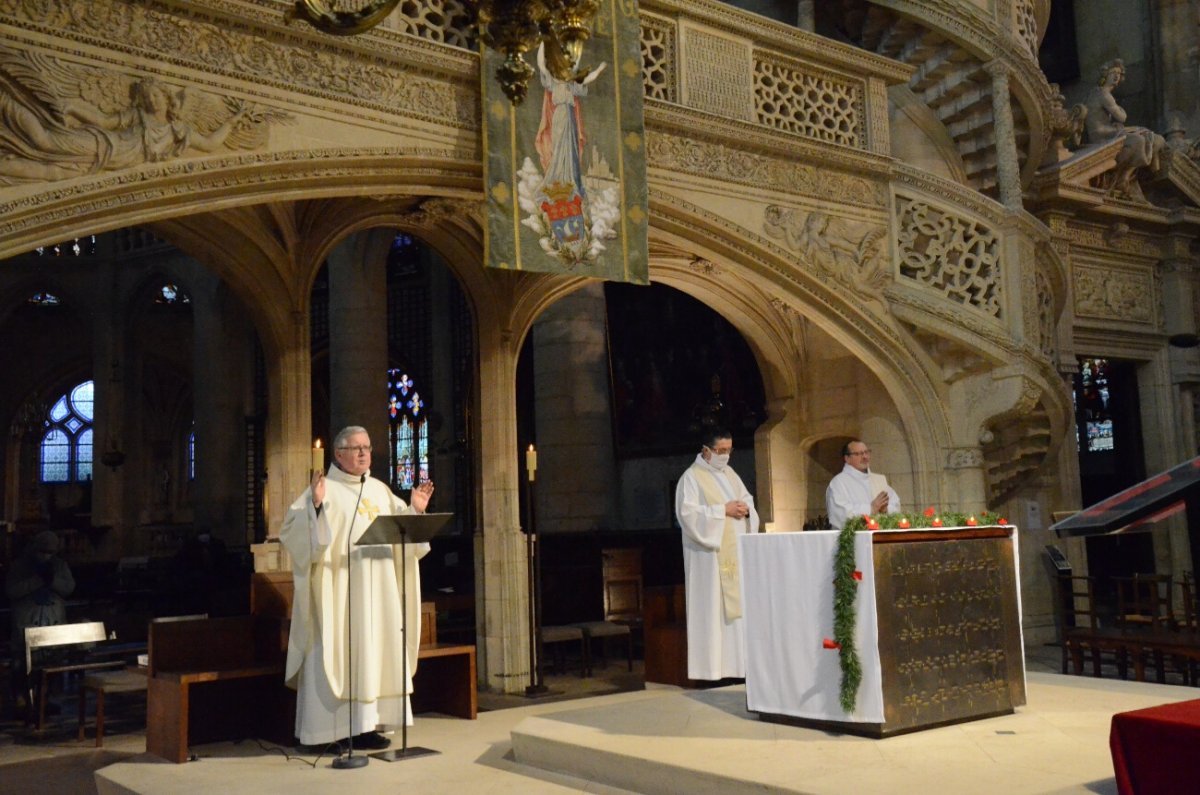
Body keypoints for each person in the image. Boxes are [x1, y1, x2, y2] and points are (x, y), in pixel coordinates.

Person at [280, 425, 434, 751]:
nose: (363, 453)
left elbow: (404, 537)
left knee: (374, 653)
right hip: (339, 594)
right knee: (335, 653)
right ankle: (326, 734)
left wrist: (414, 510)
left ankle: (365, 727)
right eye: (355, 448)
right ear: (338, 454)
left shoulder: (379, 490)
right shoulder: (322, 489)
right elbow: (294, 533)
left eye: (366, 447)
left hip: (379, 594)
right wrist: (317, 508)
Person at [674, 427, 759, 681]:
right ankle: (711, 670)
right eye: (720, 451)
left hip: (734, 554)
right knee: (713, 611)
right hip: (709, 559)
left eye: (729, 450)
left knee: (736, 612)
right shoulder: (690, 478)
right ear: (706, 451)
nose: (725, 456)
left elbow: (747, 501)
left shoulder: (730, 474)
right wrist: (722, 510)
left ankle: (738, 668)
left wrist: (745, 509)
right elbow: (687, 515)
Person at [5, 530, 75, 709]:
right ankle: (23, 699)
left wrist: (52, 581)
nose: (46, 555)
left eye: (50, 552)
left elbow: (69, 588)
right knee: (22, 664)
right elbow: (12, 590)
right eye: (43, 551)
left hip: (53, 620)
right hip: (27, 621)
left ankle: (48, 699)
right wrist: (37, 581)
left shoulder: (59, 565)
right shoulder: (20, 566)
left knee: (53, 662)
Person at [825, 439, 901, 531]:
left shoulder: (879, 480)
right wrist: (871, 508)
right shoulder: (838, 482)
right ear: (847, 459)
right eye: (858, 454)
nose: (865, 456)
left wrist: (886, 510)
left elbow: (896, 505)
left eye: (866, 452)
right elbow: (840, 514)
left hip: (880, 537)